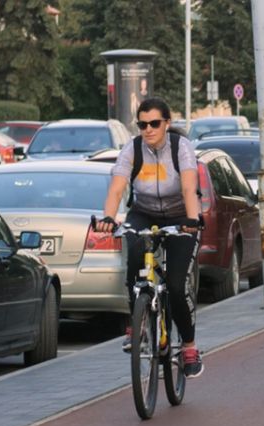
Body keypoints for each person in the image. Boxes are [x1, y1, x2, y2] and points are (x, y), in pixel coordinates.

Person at [96, 97, 204, 378]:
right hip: (144, 213)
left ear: (167, 123)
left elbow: (190, 187)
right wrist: (108, 217)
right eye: (142, 125)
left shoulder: (181, 148)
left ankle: (190, 346)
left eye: (154, 123)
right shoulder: (132, 150)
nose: (148, 129)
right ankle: (137, 323)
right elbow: (117, 187)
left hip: (182, 216)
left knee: (178, 287)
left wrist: (192, 221)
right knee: (133, 257)